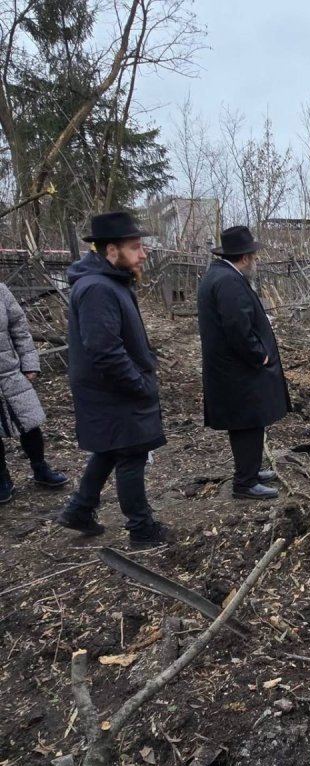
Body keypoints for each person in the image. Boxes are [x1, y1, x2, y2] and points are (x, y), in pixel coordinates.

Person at [56, 211, 170, 545]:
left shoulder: (108, 282)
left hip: (110, 389)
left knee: (110, 449)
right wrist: (137, 383)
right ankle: (141, 529)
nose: (143, 254)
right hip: (114, 390)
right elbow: (103, 348)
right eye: (135, 247)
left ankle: (80, 508)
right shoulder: (97, 289)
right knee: (131, 454)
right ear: (110, 250)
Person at [197, 225, 291, 500]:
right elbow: (237, 325)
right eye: (254, 256)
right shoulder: (228, 281)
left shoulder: (221, 275)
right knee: (248, 421)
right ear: (245, 257)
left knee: (247, 422)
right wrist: (258, 353)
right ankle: (245, 483)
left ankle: (249, 471)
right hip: (238, 369)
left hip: (231, 369)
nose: (256, 261)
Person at [0, 283, 68, 503]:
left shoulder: (0, 291)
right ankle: (2, 480)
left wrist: (30, 364)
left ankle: (40, 468)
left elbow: (19, 328)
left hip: (10, 372)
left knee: (29, 423)